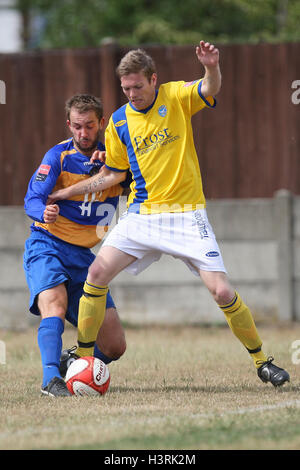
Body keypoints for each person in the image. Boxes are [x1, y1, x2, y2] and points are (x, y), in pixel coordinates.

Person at [48, 41, 290, 387]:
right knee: (97, 271)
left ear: (153, 80)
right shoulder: (118, 122)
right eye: (125, 88)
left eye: (137, 86)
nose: (132, 93)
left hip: (186, 214)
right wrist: (67, 191)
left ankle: (262, 361)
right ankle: (84, 356)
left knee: (222, 293)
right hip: (142, 215)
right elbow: (114, 174)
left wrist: (211, 67)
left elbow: (210, 87)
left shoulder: (175, 97)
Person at [23, 94, 128, 397]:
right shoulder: (57, 156)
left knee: (114, 345)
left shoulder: (117, 159)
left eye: (90, 126)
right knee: (53, 305)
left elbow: (140, 179)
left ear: (101, 123)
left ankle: (71, 362)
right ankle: (50, 379)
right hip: (48, 244)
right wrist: (42, 211)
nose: (84, 134)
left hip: (83, 257)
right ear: (69, 125)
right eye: (78, 126)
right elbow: (32, 198)